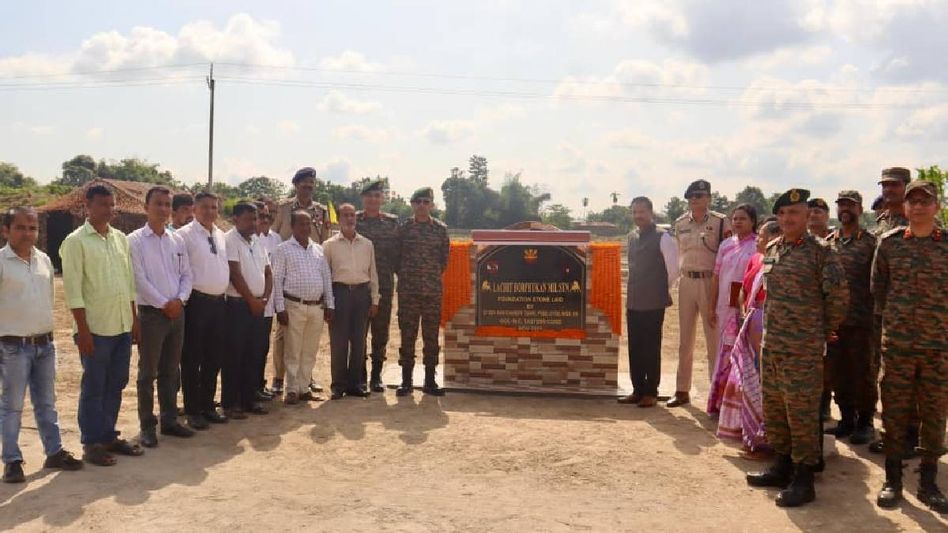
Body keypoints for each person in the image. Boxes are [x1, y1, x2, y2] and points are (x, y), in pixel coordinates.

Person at [745, 188, 848, 508]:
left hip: (803, 348)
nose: (788, 218)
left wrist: (820, 331)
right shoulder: (774, 248)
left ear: (807, 216)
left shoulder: (822, 252)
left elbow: (838, 297)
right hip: (773, 343)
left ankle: (804, 478)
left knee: (802, 412)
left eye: (794, 213)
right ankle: (782, 464)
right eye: (783, 213)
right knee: (775, 407)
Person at [873, 180, 947, 513]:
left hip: (938, 348)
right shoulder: (889, 244)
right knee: (893, 413)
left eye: (924, 201)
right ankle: (893, 480)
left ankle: (929, 482)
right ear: (904, 207)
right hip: (898, 347)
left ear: (937, 207)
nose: (918, 207)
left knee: (934, 415)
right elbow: (879, 290)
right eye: (912, 201)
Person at [60, 185, 144, 466]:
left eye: (112, 205)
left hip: (121, 326)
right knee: (94, 386)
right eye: (103, 204)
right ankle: (92, 443)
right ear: (88, 205)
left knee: (116, 383)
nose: (109, 210)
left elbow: (128, 284)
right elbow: (73, 291)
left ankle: (108, 435)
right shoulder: (76, 242)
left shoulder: (119, 239)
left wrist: (133, 320)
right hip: (95, 330)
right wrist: (82, 331)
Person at [1, 207, 83, 483]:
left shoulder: (44, 260)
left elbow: (48, 300)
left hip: (45, 344)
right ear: (6, 230)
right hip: (12, 347)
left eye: (32, 228)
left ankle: (54, 451)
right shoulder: (1, 263)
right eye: (20, 228)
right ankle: (12, 460)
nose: (27, 233)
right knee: (12, 406)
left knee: (47, 403)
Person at [127, 187, 195, 448]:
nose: (164, 209)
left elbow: (187, 274)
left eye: (167, 204)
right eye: (159, 204)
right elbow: (138, 279)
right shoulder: (134, 241)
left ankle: (169, 420)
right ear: (146, 207)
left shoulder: (176, 240)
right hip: (152, 315)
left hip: (177, 312)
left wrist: (180, 300)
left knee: (171, 369)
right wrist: (164, 304)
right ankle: (147, 426)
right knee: (147, 373)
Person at [715, 218, 782, 455]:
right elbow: (743, 288)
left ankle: (766, 438)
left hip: (767, 327)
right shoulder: (756, 259)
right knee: (748, 379)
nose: (758, 240)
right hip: (750, 322)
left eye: (762, 236)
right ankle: (750, 433)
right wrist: (742, 313)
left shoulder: (780, 263)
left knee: (764, 380)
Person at [670, 179, 732, 407]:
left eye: (699, 196)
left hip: (710, 282)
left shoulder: (720, 222)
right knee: (685, 340)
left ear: (709, 198)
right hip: (687, 281)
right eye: (691, 197)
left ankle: (715, 394)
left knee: (713, 340)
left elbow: (727, 253)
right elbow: (678, 252)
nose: (694, 200)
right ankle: (681, 390)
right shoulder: (680, 223)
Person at [869, 167, 917, 456]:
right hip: (882, 311)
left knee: (907, 376)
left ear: (906, 188)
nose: (888, 190)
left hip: (911, 316)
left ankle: (910, 436)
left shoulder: (918, 220)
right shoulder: (883, 221)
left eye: (894, 185)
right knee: (887, 375)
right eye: (884, 185)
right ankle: (895, 433)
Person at [822, 191, 877, 445]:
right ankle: (846, 420)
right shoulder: (828, 242)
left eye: (850, 206)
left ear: (860, 209)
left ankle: (865, 422)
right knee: (837, 373)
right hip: (835, 321)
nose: (845, 209)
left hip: (861, 321)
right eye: (841, 205)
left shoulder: (870, 243)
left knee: (863, 373)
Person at [271, 167, 331, 395]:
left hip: (312, 264)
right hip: (287, 270)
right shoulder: (284, 208)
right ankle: (279, 377)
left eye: (311, 183)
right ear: (296, 184)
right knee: (283, 335)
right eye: (304, 182)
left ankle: (305, 379)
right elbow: (274, 235)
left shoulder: (321, 211)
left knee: (307, 340)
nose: (308, 186)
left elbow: (324, 241)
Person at [617, 197, 678, 408]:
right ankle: (637, 390)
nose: (638, 216)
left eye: (642, 211)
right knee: (635, 347)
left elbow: (673, 270)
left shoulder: (663, 237)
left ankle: (651, 392)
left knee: (651, 347)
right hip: (634, 300)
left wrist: (658, 289)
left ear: (651, 212)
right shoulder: (631, 236)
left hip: (653, 302)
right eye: (635, 212)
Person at [177, 192, 230, 430]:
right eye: (205, 207)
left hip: (219, 304)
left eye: (214, 207)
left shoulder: (220, 235)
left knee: (214, 357)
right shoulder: (184, 236)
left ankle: (207, 405)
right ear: (194, 209)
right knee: (192, 358)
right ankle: (192, 410)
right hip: (196, 303)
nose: (210, 211)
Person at [396, 187, 450, 397]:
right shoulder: (403, 229)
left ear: (432, 205)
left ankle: (429, 381)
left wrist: (429, 276)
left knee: (431, 338)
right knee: (407, 337)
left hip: (431, 292)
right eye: (417, 201)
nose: (421, 205)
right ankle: (406, 381)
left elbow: (443, 260)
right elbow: (396, 258)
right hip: (408, 293)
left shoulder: (440, 230)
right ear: (412, 205)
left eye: (425, 202)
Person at [324, 204, 380, 399]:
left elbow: (373, 273)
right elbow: (325, 276)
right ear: (339, 219)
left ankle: (355, 384)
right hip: (340, 293)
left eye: (352, 215)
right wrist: (329, 303)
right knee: (339, 342)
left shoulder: (367, 244)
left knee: (359, 341)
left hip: (362, 294)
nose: (350, 219)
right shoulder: (329, 245)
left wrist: (375, 299)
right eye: (345, 215)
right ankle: (338, 385)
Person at [707, 204, 758, 414]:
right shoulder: (726, 245)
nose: (737, 222)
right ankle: (721, 401)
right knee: (724, 353)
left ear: (753, 221)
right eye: (735, 218)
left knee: (743, 354)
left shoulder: (758, 245)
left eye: (742, 218)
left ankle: (740, 406)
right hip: (724, 308)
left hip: (747, 309)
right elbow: (716, 277)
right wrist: (711, 307)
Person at [223, 201, 272, 418]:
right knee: (235, 355)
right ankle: (231, 403)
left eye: (255, 219)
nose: (253, 223)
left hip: (258, 305)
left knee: (254, 353)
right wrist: (251, 300)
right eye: (248, 219)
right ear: (235, 219)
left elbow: (268, 272)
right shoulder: (229, 240)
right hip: (238, 306)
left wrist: (264, 298)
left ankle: (249, 399)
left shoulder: (257, 241)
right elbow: (234, 273)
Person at [356, 179, 401, 393]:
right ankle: (360, 375)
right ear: (363, 199)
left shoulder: (392, 223)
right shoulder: (354, 220)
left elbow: (399, 254)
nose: (373, 199)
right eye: (369, 196)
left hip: (383, 285)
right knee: (359, 332)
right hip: (359, 285)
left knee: (380, 332)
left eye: (377, 195)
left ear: (383, 199)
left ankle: (376, 375)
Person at [255, 203, 282, 400]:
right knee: (248, 348)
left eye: (269, 215)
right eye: (261, 215)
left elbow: (276, 273)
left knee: (262, 347)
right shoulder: (248, 238)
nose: (266, 219)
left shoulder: (276, 239)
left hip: (268, 303)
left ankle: (258, 385)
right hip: (250, 303)